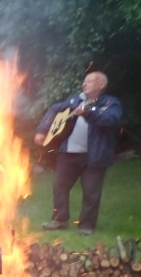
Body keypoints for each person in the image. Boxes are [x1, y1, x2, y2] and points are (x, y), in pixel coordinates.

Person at [34, 71, 122, 235]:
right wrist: (42, 130)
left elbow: (110, 119)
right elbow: (53, 110)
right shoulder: (75, 100)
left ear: (101, 85)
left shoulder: (110, 103)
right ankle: (60, 220)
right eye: (84, 81)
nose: (84, 84)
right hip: (68, 153)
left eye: (89, 81)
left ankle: (86, 226)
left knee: (91, 192)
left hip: (94, 156)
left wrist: (88, 113)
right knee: (59, 186)